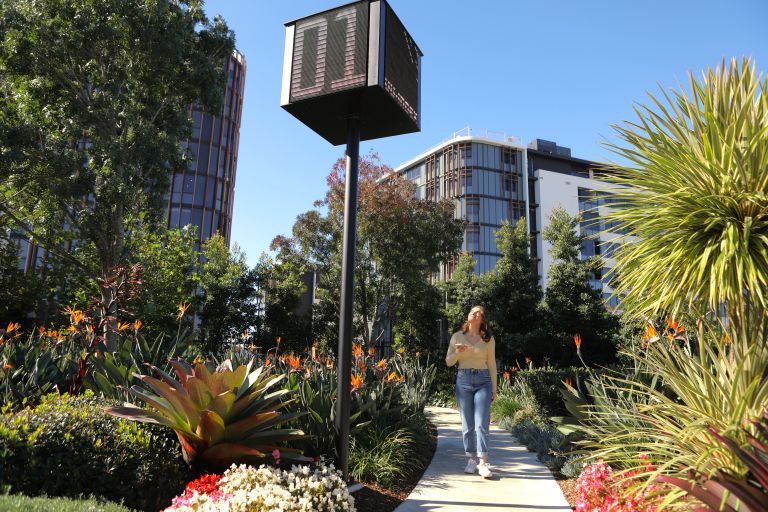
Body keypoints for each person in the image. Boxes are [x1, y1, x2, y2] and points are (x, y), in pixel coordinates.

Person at [445, 305, 497, 479]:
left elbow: (492, 366)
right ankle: (471, 460)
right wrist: (458, 353)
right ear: (468, 316)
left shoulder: (488, 340)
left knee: (482, 423)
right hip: (463, 380)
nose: (474, 314)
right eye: (472, 311)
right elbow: (449, 362)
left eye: (478, 313)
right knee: (467, 424)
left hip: (483, 381)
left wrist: (494, 388)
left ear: (482, 319)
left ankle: (483, 462)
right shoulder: (457, 337)